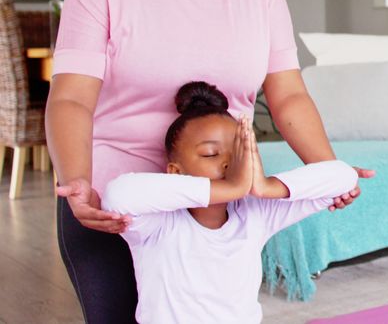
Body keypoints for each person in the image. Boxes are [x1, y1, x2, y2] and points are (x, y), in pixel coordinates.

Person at [45, 0, 373, 323]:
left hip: (222, 203)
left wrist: (326, 172)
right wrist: (77, 183)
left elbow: (287, 96)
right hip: (117, 200)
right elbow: (70, 99)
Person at [96, 82, 357, 324]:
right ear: (175, 172)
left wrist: (265, 186)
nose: (228, 162)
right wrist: (229, 186)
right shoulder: (158, 225)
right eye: (211, 153)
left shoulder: (256, 215)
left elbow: (343, 176)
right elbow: (118, 196)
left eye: (238, 152)